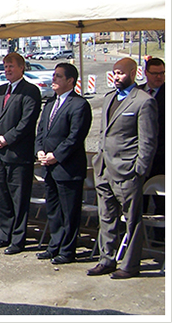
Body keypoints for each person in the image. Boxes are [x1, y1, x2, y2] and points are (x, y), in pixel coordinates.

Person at [88, 57, 158, 279]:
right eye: (114, 72)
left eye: (120, 73)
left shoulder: (143, 101)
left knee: (131, 220)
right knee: (106, 217)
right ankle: (106, 259)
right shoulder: (109, 98)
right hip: (105, 170)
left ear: (133, 73)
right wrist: (99, 159)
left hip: (127, 172)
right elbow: (104, 133)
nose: (116, 77)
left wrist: (139, 170)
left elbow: (147, 140)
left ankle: (129, 264)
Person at [34, 63, 92, 264]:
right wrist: (39, 150)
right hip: (49, 167)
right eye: (54, 75)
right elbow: (41, 131)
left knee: (69, 212)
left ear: (70, 81)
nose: (54, 80)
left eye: (58, 76)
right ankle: (54, 245)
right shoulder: (50, 103)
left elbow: (75, 137)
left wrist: (57, 155)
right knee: (53, 210)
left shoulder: (79, 105)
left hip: (68, 168)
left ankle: (67, 251)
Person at [0, 52, 41, 255]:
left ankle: (18, 240)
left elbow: (27, 123)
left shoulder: (30, 91)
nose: (7, 69)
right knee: (1, 197)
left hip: (18, 154)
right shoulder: (0, 90)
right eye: (5, 66)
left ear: (22, 67)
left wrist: (7, 138)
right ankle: (3, 234)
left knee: (18, 198)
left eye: (11, 66)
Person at [138, 58, 165, 244]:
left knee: (161, 200)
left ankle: (160, 238)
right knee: (139, 200)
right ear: (146, 73)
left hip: (162, 156)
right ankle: (139, 237)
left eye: (162, 73)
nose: (159, 77)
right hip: (140, 156)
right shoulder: (137, 93)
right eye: (155, 73)